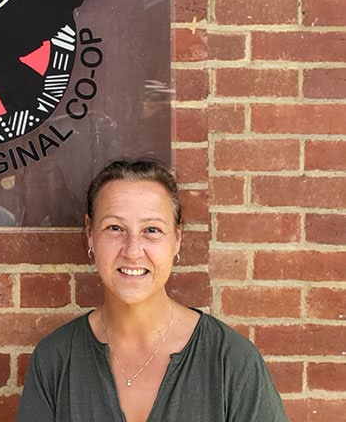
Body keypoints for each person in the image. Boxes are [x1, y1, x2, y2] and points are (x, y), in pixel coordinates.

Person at [17, 159, 287, 422]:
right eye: (115, 228)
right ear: (90, 235)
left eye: (151, 230)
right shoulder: (56, 359)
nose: (133, 250)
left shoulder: (230, 361)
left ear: (177, 239)